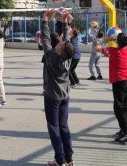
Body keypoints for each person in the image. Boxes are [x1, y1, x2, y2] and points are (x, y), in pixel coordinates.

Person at [41, 9, 75, 166]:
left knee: (54, 128)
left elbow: (46, 39)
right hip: (65, 96)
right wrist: (65, 21)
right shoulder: (67, 55)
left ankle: (60, 159)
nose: (61, 41)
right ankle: (69, 159)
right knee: (64, 127)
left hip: (53, 98)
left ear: (60, 50)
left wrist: (45, 21)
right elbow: (66, 39)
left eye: (61, 44)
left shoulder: (52, 57)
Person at [99, 33, 127, 144]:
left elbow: (96, 48)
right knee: (123, 106)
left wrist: (105, 39)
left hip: (119, 81)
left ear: (117, 41)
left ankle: (126, 133)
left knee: (118, 107)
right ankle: (124, 129)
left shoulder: (113, 51)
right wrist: (116, 40)